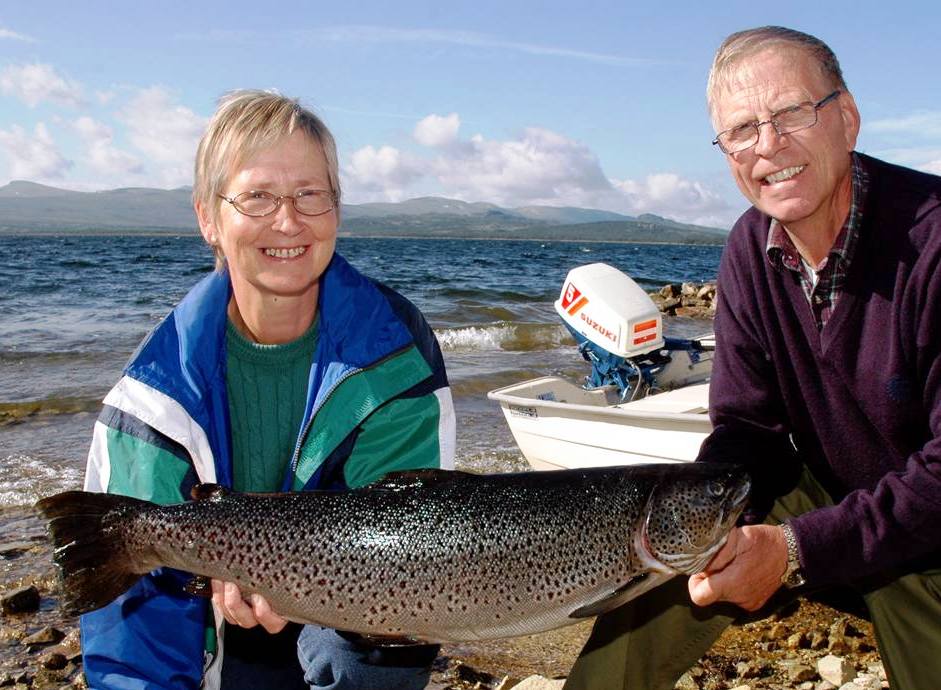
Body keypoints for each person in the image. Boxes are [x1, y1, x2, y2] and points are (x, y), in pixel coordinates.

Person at [563, 26, 941, 690]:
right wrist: (700, 527)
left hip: (931, 531)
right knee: (673, 555)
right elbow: (749, 431)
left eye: (792, 113)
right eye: (740, 130)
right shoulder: (749, 247)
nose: (767, 146)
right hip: (841, 505)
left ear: (845, 119)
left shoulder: (930, 244)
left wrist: (794, 551)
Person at [80, 90, 456, 689]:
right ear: (208, 217)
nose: (288, 220)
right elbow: (133, 634)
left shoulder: (394, 351)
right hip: (214, 638)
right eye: (257, 196)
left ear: (337, 209)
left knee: (381, 653)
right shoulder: (154, 396)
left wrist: (297, 580)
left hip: (352, 623)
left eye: (311, 194)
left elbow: (408, 541)